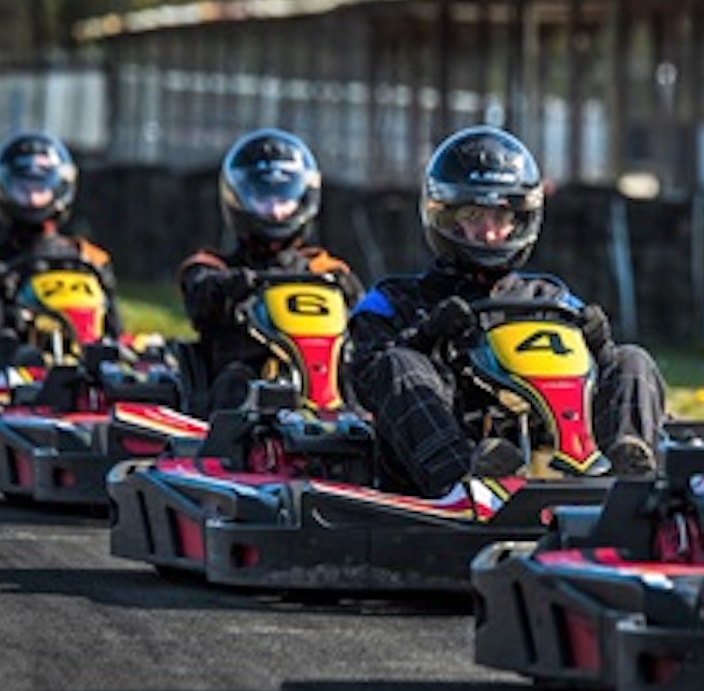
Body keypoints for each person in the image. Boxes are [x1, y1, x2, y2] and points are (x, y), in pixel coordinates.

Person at [345, 125, 667, 497]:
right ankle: (465, 481)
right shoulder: (395, 299)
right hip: (442, 463)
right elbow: (363, 382)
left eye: (500, 219)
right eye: (474, 216)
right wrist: (426, 337)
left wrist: (600, 346)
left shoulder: (551, 299)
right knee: (398, 362)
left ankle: (629, 482)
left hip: (551, 446)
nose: (489, 233)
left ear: (520, 221)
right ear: (445, 216)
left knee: (631, 359)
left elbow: (599, 376)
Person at [179, 128, 363, 413]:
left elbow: (365, 321)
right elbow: (200, 294)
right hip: (242, 388)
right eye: (264, 200)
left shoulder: (326, 270)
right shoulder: (213, 267)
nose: (275, 212)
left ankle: (352, 421)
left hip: (324, 381)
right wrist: (237, 285)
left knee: (357, 374)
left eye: (283, 199)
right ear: (237, 199)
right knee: (236, 382)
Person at [0, 131, 122, 376]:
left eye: (40, 185)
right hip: (7, 371)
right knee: (9, 343)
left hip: (84, 367)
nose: (32, 196)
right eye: (23, 187)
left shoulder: (90, 259)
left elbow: (115, 331)